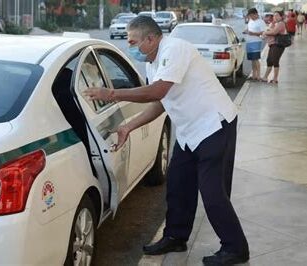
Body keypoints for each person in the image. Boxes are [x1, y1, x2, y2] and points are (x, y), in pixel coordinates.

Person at [84, 16, 249, 266]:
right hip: (188, 131)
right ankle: (175, 236)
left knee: (213, 192)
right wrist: (129, 126)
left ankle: (235, 248)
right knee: (178, 184)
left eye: (133, 42)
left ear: (151, 38)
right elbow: (161, 103)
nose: (131, 48)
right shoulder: (153, 63)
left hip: (213, 125)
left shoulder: (175, 49)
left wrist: (112, 94)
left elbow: (157, 91)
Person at [262, 11, 287, 84]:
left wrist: (265, 33)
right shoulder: (275, 24)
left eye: (277, 15)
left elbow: (274, 32)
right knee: (269, 60)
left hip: (278, 45)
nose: (275, 17)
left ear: (281, 16)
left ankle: (275, 79)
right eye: (274, 15)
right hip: (272, 44)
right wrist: (272, 24)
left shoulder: (281, 24)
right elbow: (270, 30)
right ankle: (265, 77)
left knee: (275, 61)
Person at [243, 8, 267, 81]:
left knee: (256, 59)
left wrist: (253, 33)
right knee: (252, 59)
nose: (250, 17)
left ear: (255, 14)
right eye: (249, 16)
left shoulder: (261, 22)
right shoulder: (250, 21)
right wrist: (246, 31)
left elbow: (263, 33)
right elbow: (248, 29)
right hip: (249, 42)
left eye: (251, 15)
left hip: (256, 42)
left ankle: (259, 75)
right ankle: (254, 75)